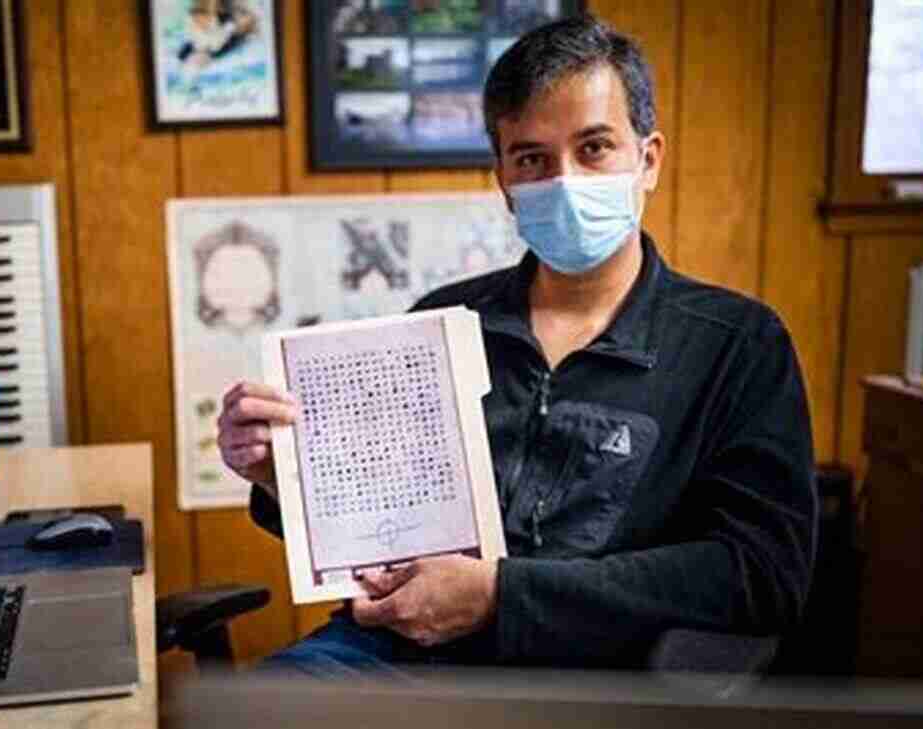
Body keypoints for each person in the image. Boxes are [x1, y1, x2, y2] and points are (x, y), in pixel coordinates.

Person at [217, 15, 816, 676]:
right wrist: (289, 477)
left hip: (601, 677)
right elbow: (380, 525)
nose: (563, 180)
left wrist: (502, 595)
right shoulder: (441, 321)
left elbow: (762, 574)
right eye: (532, 157)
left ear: (647, 160)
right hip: (402, 653)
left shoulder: (739, 346)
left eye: (594, 148)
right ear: (503, 180)